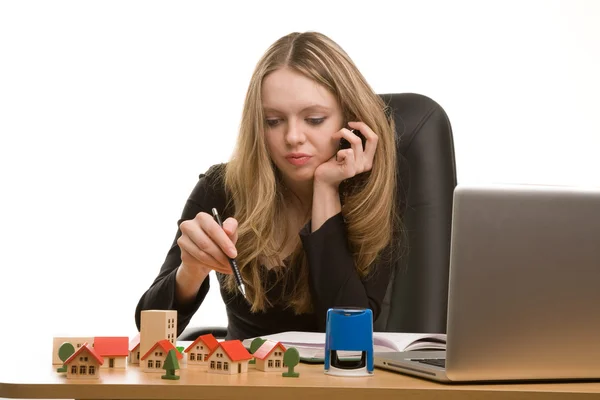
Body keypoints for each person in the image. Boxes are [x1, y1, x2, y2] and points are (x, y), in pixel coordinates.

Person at [134, 31, 407, 340]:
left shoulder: (374, 195)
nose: (293, 137)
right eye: (273, 121)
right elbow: (148, 329)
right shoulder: (222, 188)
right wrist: (191, 271)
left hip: (335, 386)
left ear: (350, 118)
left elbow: (349, 339)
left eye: (314, 119)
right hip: (242, 381)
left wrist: (326, 190)